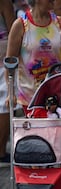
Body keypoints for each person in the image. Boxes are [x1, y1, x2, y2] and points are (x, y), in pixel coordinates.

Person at [5, 0, 61, 118]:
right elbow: (10, 62)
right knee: (43, 134)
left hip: (58, 93)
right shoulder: (21, 25)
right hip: (31, 98)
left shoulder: (59, 23)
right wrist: (10, 93)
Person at [0, 0, 16, 164]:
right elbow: (14, 31)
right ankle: (0, 149)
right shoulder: (4, 3)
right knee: (4, 105)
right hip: (3, 60)